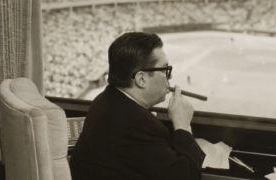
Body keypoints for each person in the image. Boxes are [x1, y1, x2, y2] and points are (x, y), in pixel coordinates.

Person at [70, 32, 205, 180]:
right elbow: (189, 176)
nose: (170, 76)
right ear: (141, 79)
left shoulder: (105, 99)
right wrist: (183, 124)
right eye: (165, 69)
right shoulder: (138, 124)